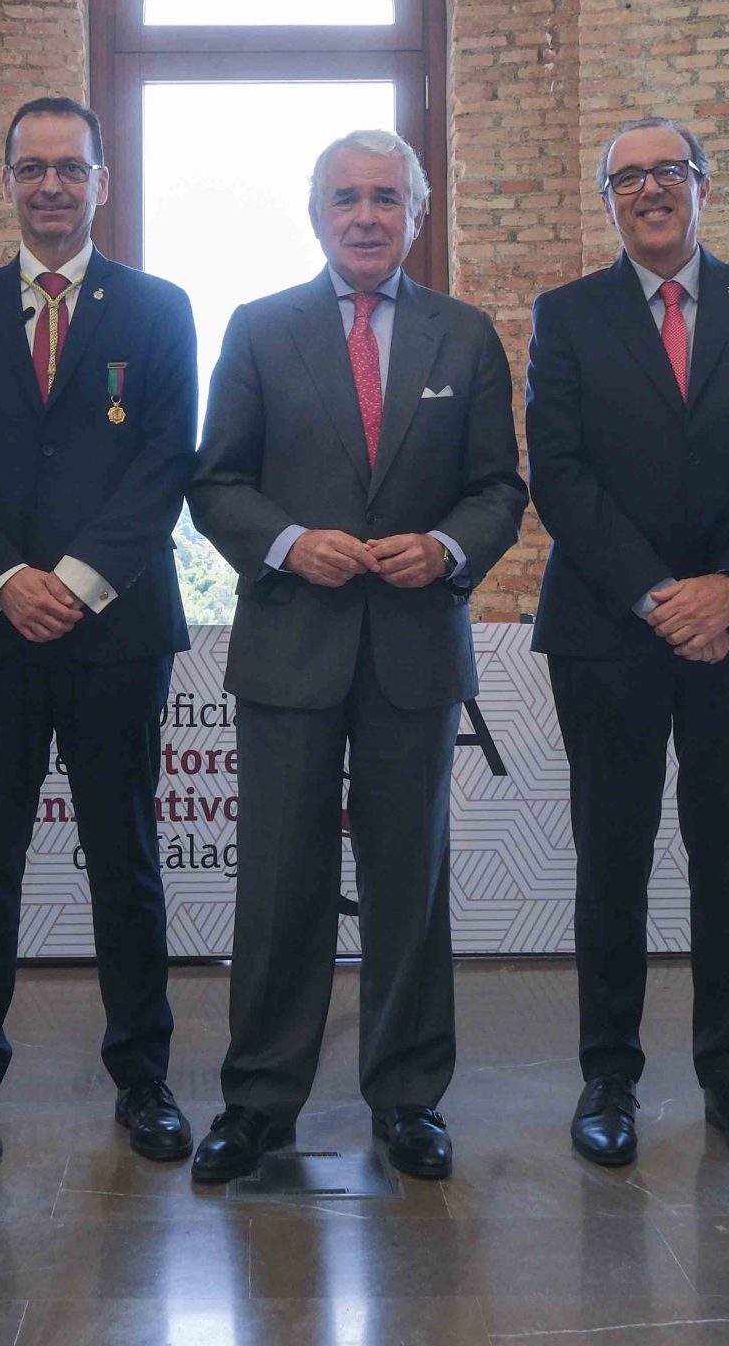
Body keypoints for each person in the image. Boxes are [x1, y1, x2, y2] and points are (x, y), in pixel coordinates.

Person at [187, 129, 527, 1183]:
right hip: (292, 644)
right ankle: (258, 1101)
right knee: (277, 883)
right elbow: (216, 483)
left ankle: (409, 1097)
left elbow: (499, 488)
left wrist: (447, 548)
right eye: (347, 197)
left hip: (414, 650)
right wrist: (291, 542)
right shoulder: (259, 328)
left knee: (407, 883)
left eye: (386, 197)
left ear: (417, 213)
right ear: (317, 213)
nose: (366, 215)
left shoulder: (465, 335)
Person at [525, 117, 729, 1171]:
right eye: (628, 178)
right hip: (609, 627)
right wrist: (659, 595)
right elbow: (558, 472)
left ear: (704, 185)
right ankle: (608, 1075)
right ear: (608, 199)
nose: (650, 190)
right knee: (611, 854)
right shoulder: (566, 314)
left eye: (669, 172)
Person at [0, 97, 198, 1170]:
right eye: (30, 168)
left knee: (126, 861)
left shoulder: (159, 309)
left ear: (101, 182)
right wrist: (5, 579)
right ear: (6, 183)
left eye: (70, 168)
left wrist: (72, 582)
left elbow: (165, 460)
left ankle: (145, 1077)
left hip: (115, 632)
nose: (50, 186)